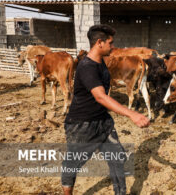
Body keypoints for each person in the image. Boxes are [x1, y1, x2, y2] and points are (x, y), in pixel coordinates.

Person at [61, 24, 150, 195]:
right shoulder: (87, 67)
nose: (113, 46)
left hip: (103, 121)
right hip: (81, 125)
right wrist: (132, 113)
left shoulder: (101, 62)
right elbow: (100, 96)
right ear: (99, 43)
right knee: (73, 163)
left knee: (117, 159)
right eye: (111, 43)